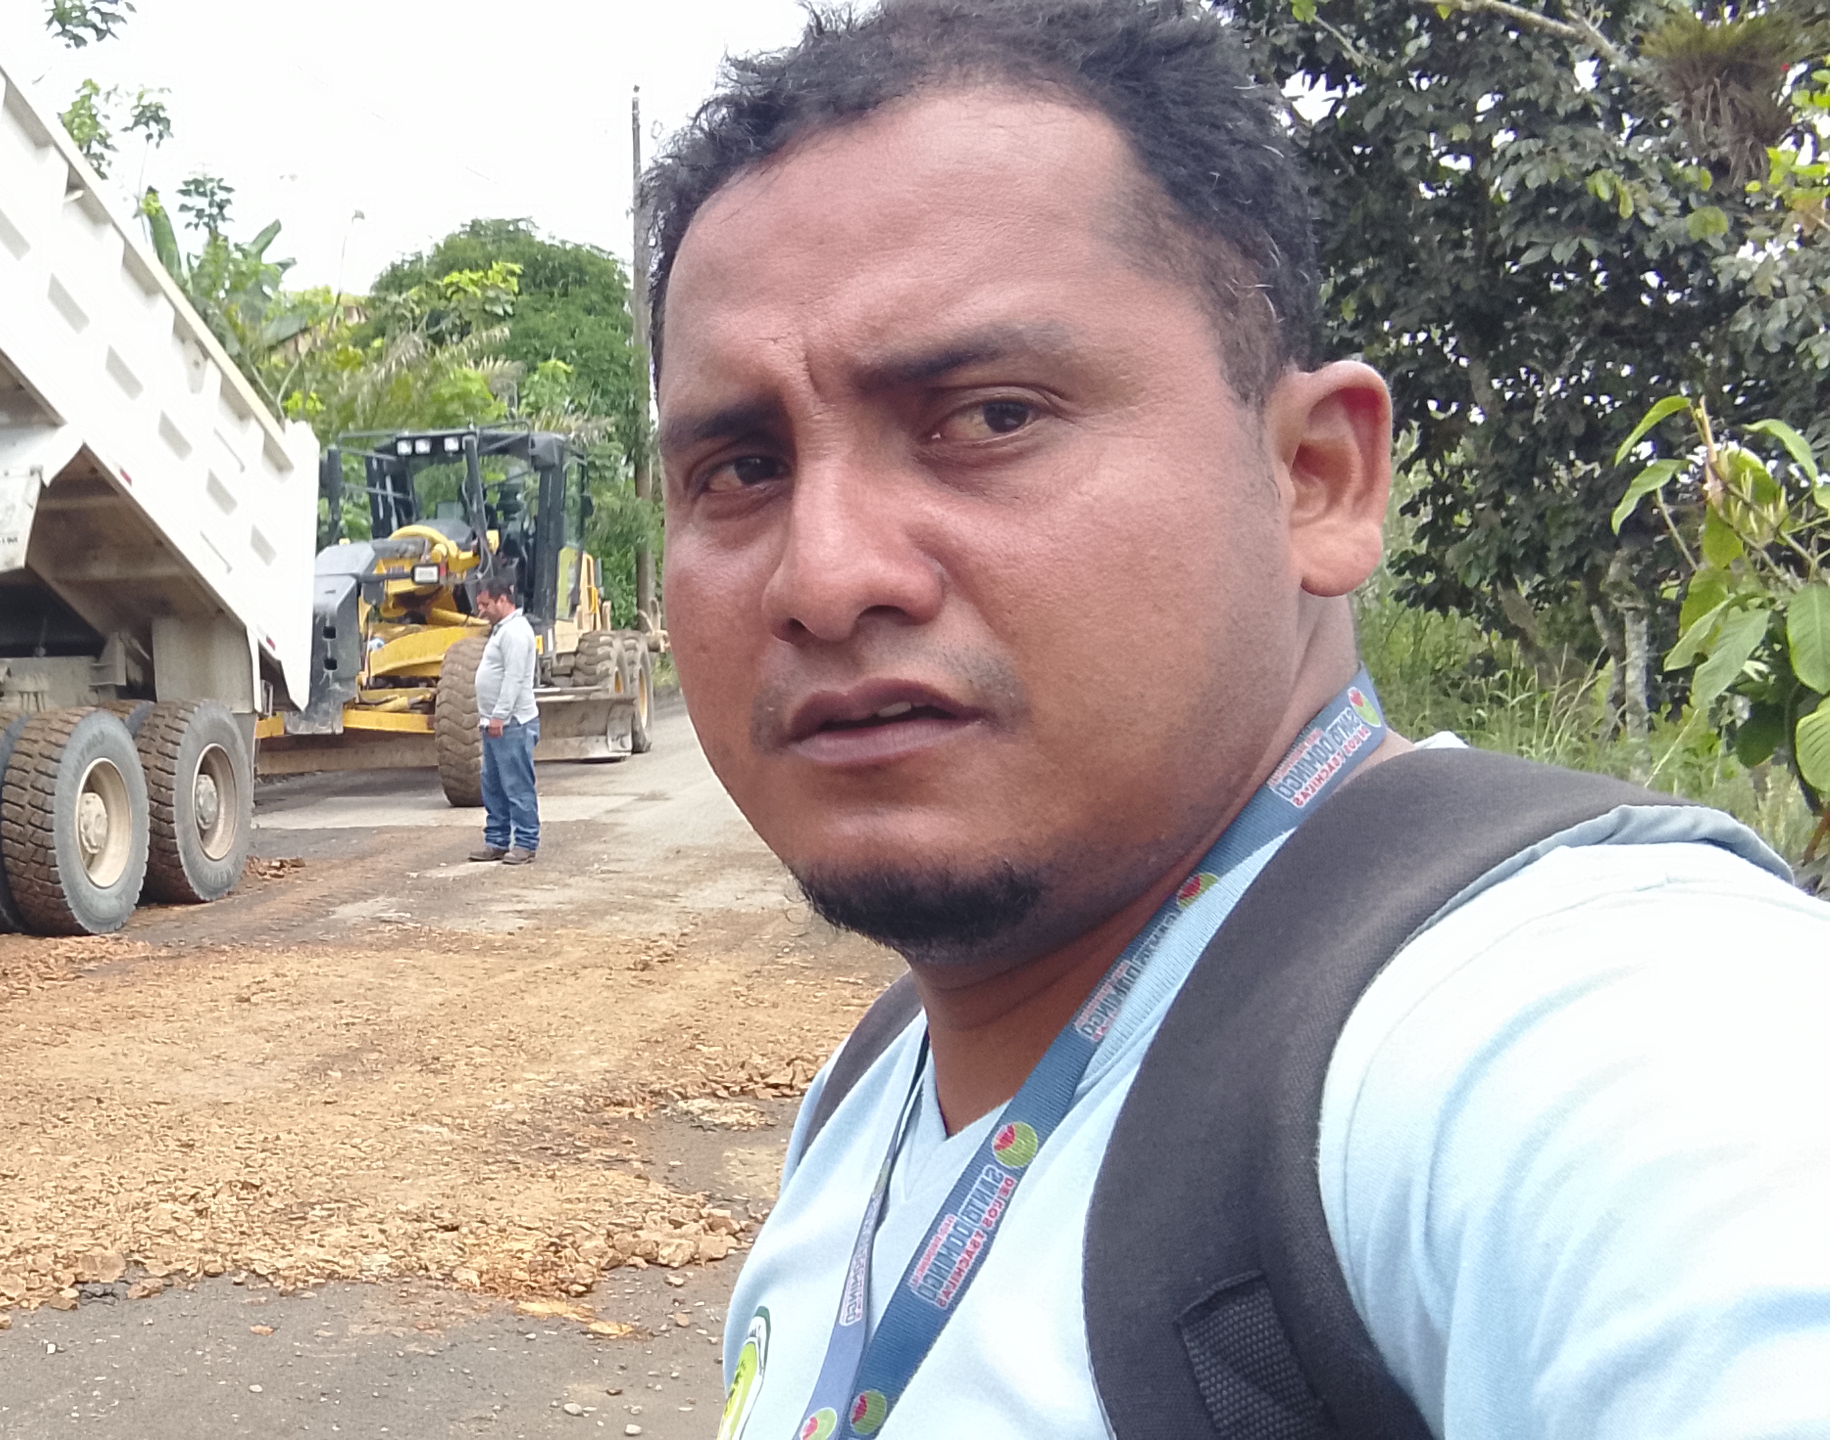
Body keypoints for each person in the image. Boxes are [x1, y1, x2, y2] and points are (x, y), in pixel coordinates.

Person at [641, 1, 1830, 1436]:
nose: (825, 577)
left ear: (1316, 478)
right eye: (740, 468)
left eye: (991, 417)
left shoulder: (1593, 1030)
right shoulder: (865, 1099)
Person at [468, 579, 541, 865]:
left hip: (512, 724)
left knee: (517, 785)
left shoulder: (515, 632)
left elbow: (514, 678)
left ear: (502, 600)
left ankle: (525, 843)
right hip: (494, 724)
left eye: (485, 604)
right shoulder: (501, 630)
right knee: (494, 786)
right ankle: (497, 841)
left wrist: (500, 715)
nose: (481, 610)